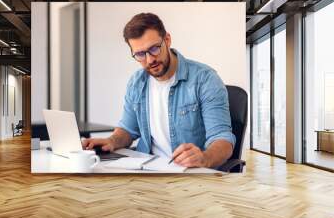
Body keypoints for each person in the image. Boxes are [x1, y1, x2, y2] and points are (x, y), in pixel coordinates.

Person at [82, 13, 235, 168]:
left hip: (189, 173)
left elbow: (222, 139)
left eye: (154, 49)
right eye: (140, 54)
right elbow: (128, 130)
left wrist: (205, 158)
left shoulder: (204, 79)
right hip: (146, 170)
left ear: (167, 40)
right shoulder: (136, 83)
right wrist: (111, 141)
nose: (150, 60)